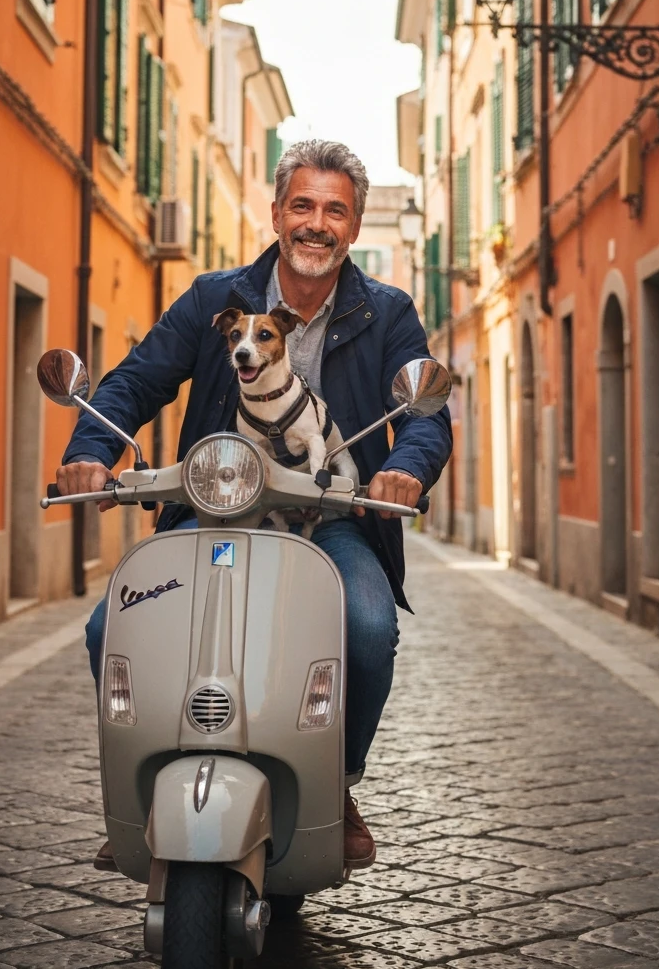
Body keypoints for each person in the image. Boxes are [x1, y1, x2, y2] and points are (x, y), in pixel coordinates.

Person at [57, 139, 452, 871]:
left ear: (354, 227)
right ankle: (139, 788)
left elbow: (427, 416)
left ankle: (338, 781)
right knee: (109, 627)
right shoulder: (216, 300)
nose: (316, 222)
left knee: (368, 628)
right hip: (213, 512)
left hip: (331, 518)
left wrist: (401, 471)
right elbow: (136, 378)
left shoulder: (387, 311)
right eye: (302, 204)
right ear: (276, 213)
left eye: (335, 210)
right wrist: (93, 446)